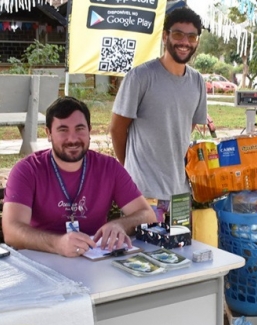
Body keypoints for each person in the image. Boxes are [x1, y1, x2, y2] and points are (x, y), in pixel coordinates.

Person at [2, 96, 156, 258]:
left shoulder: (109, 168)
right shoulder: (27, 170)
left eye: (79, 128)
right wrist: (58, 244)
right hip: (43, 263)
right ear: (48, 133)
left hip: (95, 263)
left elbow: (147, 214)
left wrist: (121, 225)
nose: (73, 138)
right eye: (63, 130)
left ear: (89, 130)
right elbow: (12, 231)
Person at [110, 6, 208, 210]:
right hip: (143, 194)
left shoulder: (197, 81)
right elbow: (117, 129)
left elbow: (186, 127)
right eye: (178, 34)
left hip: (180, 192)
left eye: (192, 37)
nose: (185, 42)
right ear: (165, 36)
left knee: (183, 243)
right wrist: (130, 170)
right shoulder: (140, 77)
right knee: (143, 244)